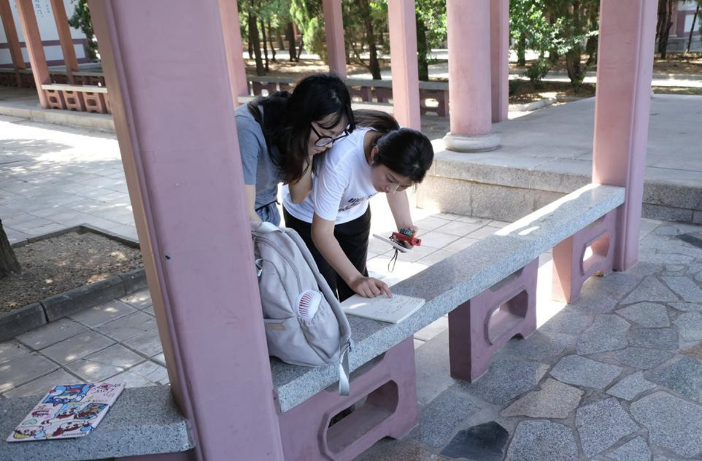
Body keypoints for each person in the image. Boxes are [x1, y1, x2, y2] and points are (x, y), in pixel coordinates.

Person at [283, 110, 434, 301]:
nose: (391, 189)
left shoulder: (403, 145)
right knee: (322, 293)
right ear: (375, 153)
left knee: (358, 291)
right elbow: (321, 233)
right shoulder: (341, 160)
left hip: (354, 213)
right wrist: (355, 279)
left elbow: (397, 188)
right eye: (390, 179)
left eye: (403, 185)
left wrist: (405, 228)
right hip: (308, 217)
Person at [236, 73, 355, 225]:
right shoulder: (247, 130)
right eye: (326, 134)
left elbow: (298, 196)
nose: (329, 144)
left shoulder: (299, 135)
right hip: (240, 217)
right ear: (301, 119)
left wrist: (307, 151)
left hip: (267, 212)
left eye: (335, 136)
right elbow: (245, 212)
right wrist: (274, 238)